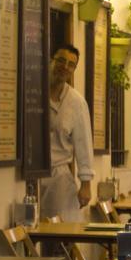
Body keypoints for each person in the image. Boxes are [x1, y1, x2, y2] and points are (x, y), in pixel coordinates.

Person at [40, 44, 94, 222]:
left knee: (63, 232)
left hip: (59, 177)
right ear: (51, 60)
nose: (65, 67)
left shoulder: (76, 103)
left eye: (71, 64)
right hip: (29, 177)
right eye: (61, 61)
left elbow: (83, 144)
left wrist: (85, 183)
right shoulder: (33, 92)